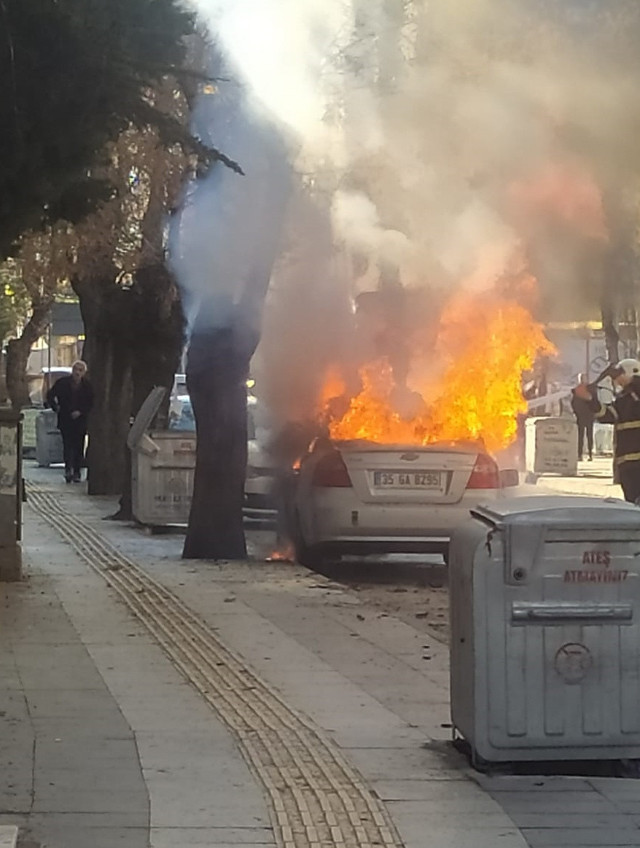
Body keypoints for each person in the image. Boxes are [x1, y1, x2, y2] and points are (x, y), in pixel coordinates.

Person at [578, 359, 640, 503]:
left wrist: (590, 399)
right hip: (630, 462)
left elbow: (608, 416)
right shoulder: (629, 397)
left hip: (631, 465)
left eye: (618, 376)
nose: (617, 382)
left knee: (634, 507)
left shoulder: (628, 398)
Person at [46, 360, 94, 483]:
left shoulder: (87, 386)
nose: (77, 373)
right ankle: (68, 470)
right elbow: (50, 395)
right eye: (75, 369)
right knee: (67, 445)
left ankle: (77, 471)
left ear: (84, 373)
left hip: (80, 420)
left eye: (80, 370)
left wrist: (81, 411)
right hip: (65, 419)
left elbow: (91, 402)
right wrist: (56, 407)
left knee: (79, 445)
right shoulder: (62, 383)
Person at [570, 373, 595, 461]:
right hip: (580, 416)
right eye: (580, 378)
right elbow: (573, 403)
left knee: (589, 435)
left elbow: (595, 401)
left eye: (583, 378)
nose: (582, 380)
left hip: (589, 415)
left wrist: (593, 412)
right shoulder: (577, 390)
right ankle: (579, 455)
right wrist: (576, 413)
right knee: (580, 436)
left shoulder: (591, 389)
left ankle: (590, 454)